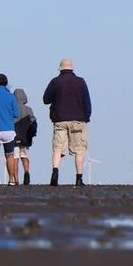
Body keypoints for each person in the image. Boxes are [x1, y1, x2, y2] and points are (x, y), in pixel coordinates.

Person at [42, 58, 92, 186]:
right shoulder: (81, 82)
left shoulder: (55, 82)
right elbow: (87, 101)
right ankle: (79, 178)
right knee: (79, 150)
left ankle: (55, 172)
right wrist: (86, 117)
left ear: (60, 69)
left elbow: (46, 99)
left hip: (60, 119)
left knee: (58, 148)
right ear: (72, 68)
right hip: (78, 120)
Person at [0, 74, 20, 186]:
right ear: (6, 83)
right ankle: (11, 179)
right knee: (9, 155)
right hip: (8, 130)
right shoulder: (10, 96)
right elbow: (16, 113)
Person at [13, 88, 38, 185]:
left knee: (15, 159)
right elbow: (33, 121)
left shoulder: (12, 109)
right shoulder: (29, 110)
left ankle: (16, 180)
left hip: (14, 137)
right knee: (25, 157)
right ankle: (26, 172)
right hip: (26, 137)